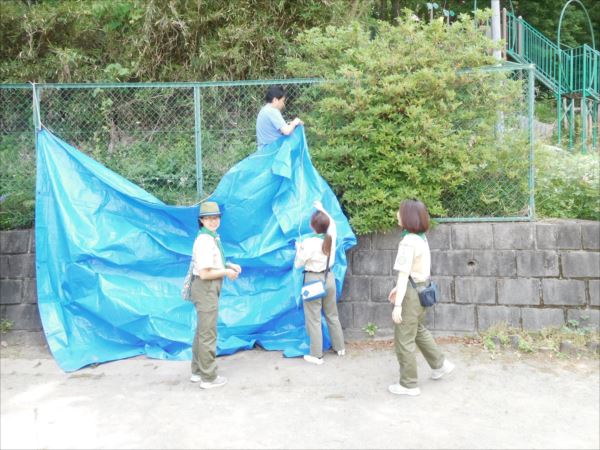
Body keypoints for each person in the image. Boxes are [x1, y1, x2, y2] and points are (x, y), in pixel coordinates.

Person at [387, 199, 454, 396]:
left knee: (404, 338)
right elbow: (415, 271)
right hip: (421, 288)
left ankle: (408, 384)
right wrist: (398, 290)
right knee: (417, 330)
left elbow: (403, 273)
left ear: (408, 217)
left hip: (411, 294)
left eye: (399, 212)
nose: (397, 215)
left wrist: (398, 304)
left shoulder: (408, 241)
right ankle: (440, 364)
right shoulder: (421, 238)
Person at [189, 201, 242, 389]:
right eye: (209, 218)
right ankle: (208, 378)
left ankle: (197, 371)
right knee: (208, 334)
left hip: (207, 287)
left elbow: (211, 264)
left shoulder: (211, 237)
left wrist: (228, 265)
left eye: (216, 217)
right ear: (201, 220)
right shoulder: (204, 241)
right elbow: (204, 273)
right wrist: (227, 273)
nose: (213, 221)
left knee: (202, 331)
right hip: (206, 287)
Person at [294, 200, 345, 365]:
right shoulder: (331, 238)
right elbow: (333, 225)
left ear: (312, 226)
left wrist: (299, 249)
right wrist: (324, 210)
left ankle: (316, 355)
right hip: (328, 278)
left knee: (314, 317)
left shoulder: (309, 243)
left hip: (313, 281)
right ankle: (340, 348)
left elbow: (298, 264)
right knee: (332, 314)